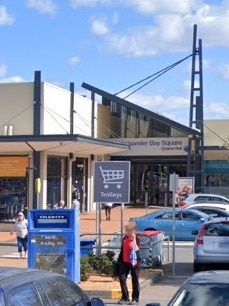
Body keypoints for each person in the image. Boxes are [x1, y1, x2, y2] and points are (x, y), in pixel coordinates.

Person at [118, 222, 141, 305]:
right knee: (122, 278)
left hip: (134, 262)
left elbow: (136, 249)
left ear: (133, 231)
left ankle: (135, 298)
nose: (126, 232)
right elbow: (122, 250)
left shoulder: (136, 239)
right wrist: (119, 261)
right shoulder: (124, 239)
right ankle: (125, 297)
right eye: (126, 230)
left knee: (135, 280)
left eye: (128, 230)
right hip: (125, 261)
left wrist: (133, 239)